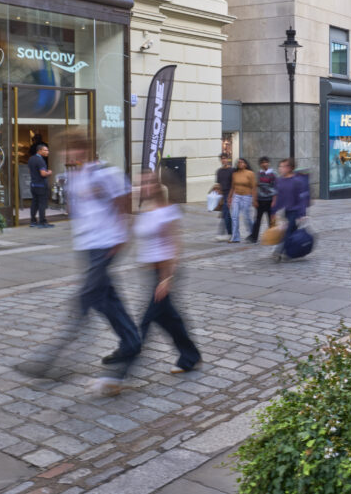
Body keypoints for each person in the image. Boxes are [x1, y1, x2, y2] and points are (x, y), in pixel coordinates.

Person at [63, 133, 141, 395]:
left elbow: (124, 198)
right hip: (87, 245)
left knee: (88, 297)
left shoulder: (105, 172)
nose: (70, 154)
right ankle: (130, 341)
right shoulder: (76, 177)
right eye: (68, 150)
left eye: (74, 148)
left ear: (85, 149)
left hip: (105, 243)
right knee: (104, 299)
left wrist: (123, 234)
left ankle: (58, 354)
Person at [134, 171, 201, 373]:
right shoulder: (146, 209)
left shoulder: (168, 210)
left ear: (156, 186)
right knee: (169, 319)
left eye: (146, 183)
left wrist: (166, 279)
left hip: (165, 273)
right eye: (140, 183)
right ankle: (190, 356)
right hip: (153, 273)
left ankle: (120, 371)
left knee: (145, 322)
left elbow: (174, 246)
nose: (142, 187)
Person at [271, 158, 310, 260]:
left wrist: (302, 214)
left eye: (283, 166)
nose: (280, 169)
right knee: (291, 233)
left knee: (288, 232)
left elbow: (302, 198)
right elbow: (279, 198)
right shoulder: (279, 181)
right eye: (280, 166)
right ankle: (290, 252)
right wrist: (274, 211)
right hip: (286, 211)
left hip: (296, 211)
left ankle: (279, 251)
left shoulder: (297, 181)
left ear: (289, 168)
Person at [248, 157, 277, 243]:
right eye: (262, 163)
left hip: (270, 200)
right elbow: (255, 187)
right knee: (257, 220)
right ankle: (254, 237)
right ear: (260, 164)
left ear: (269, 163)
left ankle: (273, 237)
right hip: (260, 200)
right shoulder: (258, 174)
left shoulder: (273, 174)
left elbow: (276, 188)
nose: (264, 164)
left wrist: (274, 201)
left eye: (266, 162)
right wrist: (255, 200)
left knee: (271, 221)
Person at [228, 158, 256, 243]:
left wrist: (254, 199)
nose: (240, 163)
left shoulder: (250, 173)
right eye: (238, 162)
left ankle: (252, 234)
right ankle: (235, 237)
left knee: (246, 217)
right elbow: (232, 187)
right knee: (234, 216)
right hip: (236, 196)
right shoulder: (235, 174)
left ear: (246, 164)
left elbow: (254, 187)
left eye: (242, 162)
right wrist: (229, 197)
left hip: (247, 197)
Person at [28, 144, 53, 228]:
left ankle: (33, 221)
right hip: (41, 185)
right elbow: (43, 174)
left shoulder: (31, 159)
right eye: (45, 150)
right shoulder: (40, 160)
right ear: (39, 150)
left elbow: (30, 171)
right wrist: (49, 172)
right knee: (42, 203)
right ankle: (42, 222)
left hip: (33, 184)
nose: (47, 152)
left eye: (47, 150)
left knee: (34, 203)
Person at [214, 154, 233, 242]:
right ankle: (229, 233)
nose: (223, 160)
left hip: (229, 194)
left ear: (228, 160)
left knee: (226, 214)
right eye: (222, 159)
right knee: (226, 214)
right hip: (222, 195)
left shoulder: (231, 170)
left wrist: (231, 196)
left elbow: (234, 183)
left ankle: (226, 233)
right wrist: (217, 191)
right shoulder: (219, 171)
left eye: (225, 158)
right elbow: (218, 183)